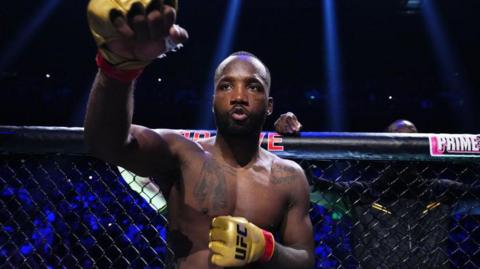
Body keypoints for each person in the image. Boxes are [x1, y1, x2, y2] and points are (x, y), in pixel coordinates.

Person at [84, 1, 314, 268]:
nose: (239, 97)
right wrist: (119, 67)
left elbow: (305, 258)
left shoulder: (289, 176)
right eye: (226, 86)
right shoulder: (182, 155)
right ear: (212, 99)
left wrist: (266, 247)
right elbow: (106, 144)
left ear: (269, 105)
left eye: (253, 87)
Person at [275, 115, 480, 268]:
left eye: (411, 142)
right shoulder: (362, 194)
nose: (403, 150)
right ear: (384, 150)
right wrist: (292, 142)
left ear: (420, 150)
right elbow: (309, 187)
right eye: (397, 142)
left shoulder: (441, 191)